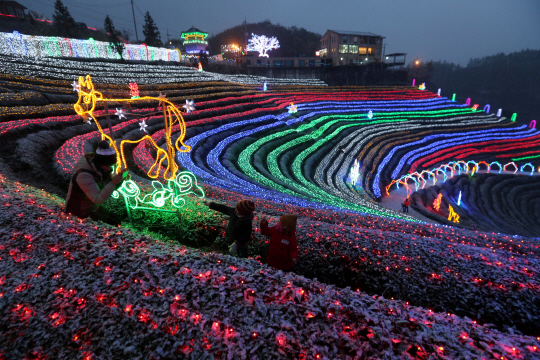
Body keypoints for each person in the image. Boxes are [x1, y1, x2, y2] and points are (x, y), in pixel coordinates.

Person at [64, 140, 125, 225]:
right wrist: (113, 183)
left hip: (91, 206)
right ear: (99, 163)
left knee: (117, 220)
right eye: (107, 165)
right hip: (79, 210)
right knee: (114, 223)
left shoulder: (102, 170)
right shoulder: (84, 175)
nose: (109, 168)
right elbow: (97, 199)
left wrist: (119, 180)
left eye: (110, 165)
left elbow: (109, 187)